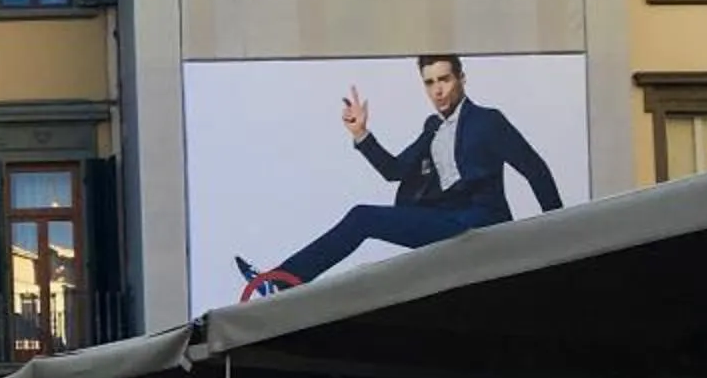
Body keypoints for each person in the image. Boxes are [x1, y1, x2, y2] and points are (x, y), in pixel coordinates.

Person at [238, 55, 562, 294]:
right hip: (441, 219)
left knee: (363, 218)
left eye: (444, 80)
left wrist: (560, 237)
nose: (438, 90)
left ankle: (282, 282)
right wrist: (362, 134)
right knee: (362, 217)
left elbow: (535, 170)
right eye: (430, 83)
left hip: (477, 223)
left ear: (462, 78)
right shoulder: (432, 128)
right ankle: (282, 283)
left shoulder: (488, 121)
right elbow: (395, 171)